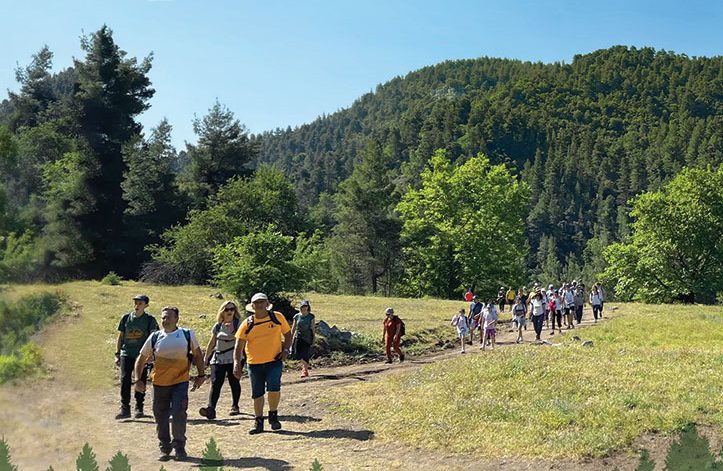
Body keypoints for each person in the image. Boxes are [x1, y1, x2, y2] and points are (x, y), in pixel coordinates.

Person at [134, 306, 205, 461]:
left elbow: (198, 355)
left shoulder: (187, 334)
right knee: (160, 416)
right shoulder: (155, 336)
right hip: (159, 383)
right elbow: (141, 358)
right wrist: (137, 379)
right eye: (163, 317)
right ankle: (164, 448)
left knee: (179, 414)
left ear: (176, 319)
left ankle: (179, 447)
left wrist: (201, 374)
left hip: (180, 382)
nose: (165, 320)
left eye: (168, 317)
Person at [233, 293, 292, 435]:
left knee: (274, 389)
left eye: (262, 302)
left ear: (267, 303)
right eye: (256, 302)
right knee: (257, 393)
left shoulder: (277, 317)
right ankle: (258, 421)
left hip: (274, 361)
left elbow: (288, 334)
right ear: (252, 306)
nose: (259, 305)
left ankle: (273, 416)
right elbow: (238, 346)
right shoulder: (247, 323)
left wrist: (286, 351)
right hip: (254, 363)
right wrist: (236, 363)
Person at [115, 294, 159, 419]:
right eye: (136, 302)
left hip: (142, 355)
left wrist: (152, 354)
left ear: (146, 305)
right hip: (126, 353)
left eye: (140, 303)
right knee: (125, 379)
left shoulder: (150, 319)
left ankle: (139, 408)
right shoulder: (126, 318)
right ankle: (125, 409)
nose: (137, 305)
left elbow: (154, 337)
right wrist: (117, 353)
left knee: (140, 380)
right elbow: (121, 336)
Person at [200, 301, 242, 420]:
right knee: (215, 383)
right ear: (222, 311)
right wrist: (206, 358)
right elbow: (212, 342)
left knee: (234, 381)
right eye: (227, 309)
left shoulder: (239, 324)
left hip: (234, 357)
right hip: (218, 358)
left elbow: (242, 339)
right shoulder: (218, 326)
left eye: (232, 309)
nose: (229, 311)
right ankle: (211, 409)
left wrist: (233, 330)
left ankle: (235, 406)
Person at [290, 299, 316, 378]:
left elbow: (313, 328)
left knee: (305, 353)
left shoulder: (311, 316)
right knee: (297, 354)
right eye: (303, 306)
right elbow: (293, 328)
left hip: (307, 337)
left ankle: (305, 370)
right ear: (300, 307)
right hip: (299, 336)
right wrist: (290, 337)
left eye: (306, 306)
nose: (304, 308)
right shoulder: (297, 316)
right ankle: (305, 365)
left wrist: (314, 338)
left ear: (308, 307)